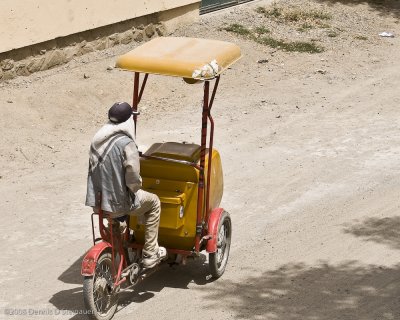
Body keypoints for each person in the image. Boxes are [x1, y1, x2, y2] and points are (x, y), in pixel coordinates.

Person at [85, 101, 167, 268]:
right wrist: (137, 187)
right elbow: (133, 180)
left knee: (115, 218)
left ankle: (119, 251)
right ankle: (151, 253)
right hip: (119, 204)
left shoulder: (97, 140)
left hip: (98, 202)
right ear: (128, 121)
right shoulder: (126, 144)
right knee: (154, 202)